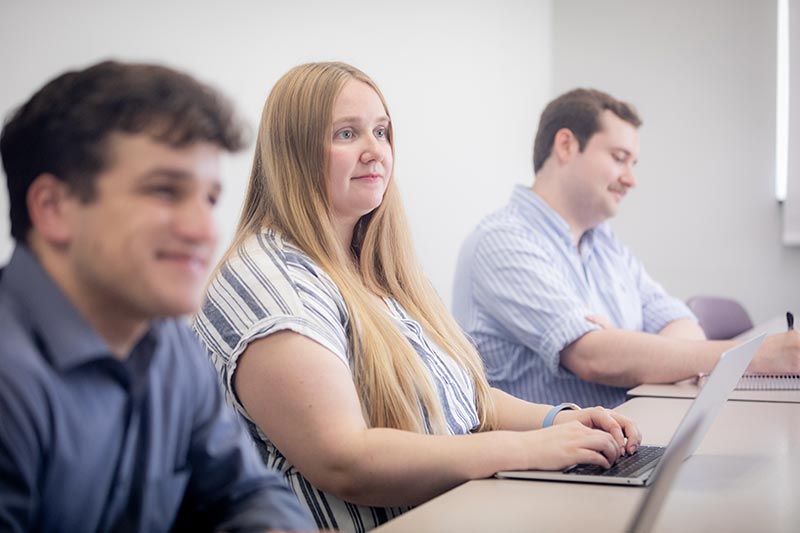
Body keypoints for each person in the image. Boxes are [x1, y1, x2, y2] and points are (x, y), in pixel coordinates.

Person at [194, 63, 642, 533]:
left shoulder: (372, 268)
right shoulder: (270, 280)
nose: (375, 152)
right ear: (293, 152)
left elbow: (460, 400)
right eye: (347, 133)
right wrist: (528, 450)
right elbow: (345, 461)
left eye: (382, 132)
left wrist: (559, 421)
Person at [0, 60, 315, 532]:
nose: (205, 230)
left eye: (209, 198)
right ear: (53, 208)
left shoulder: (168, 342)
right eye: (165, 191)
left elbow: (248, 492)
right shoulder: (11, 379)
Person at [452, 88, 800, 408]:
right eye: (620, 158)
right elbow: (595, 359)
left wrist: (622, 343)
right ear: (566, 145)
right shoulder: (502, 241)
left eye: (633, 163)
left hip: (623, 439)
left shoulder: (604, 244)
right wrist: (756, 355)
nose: (631, 179)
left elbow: (679, 322)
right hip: (546, 463)